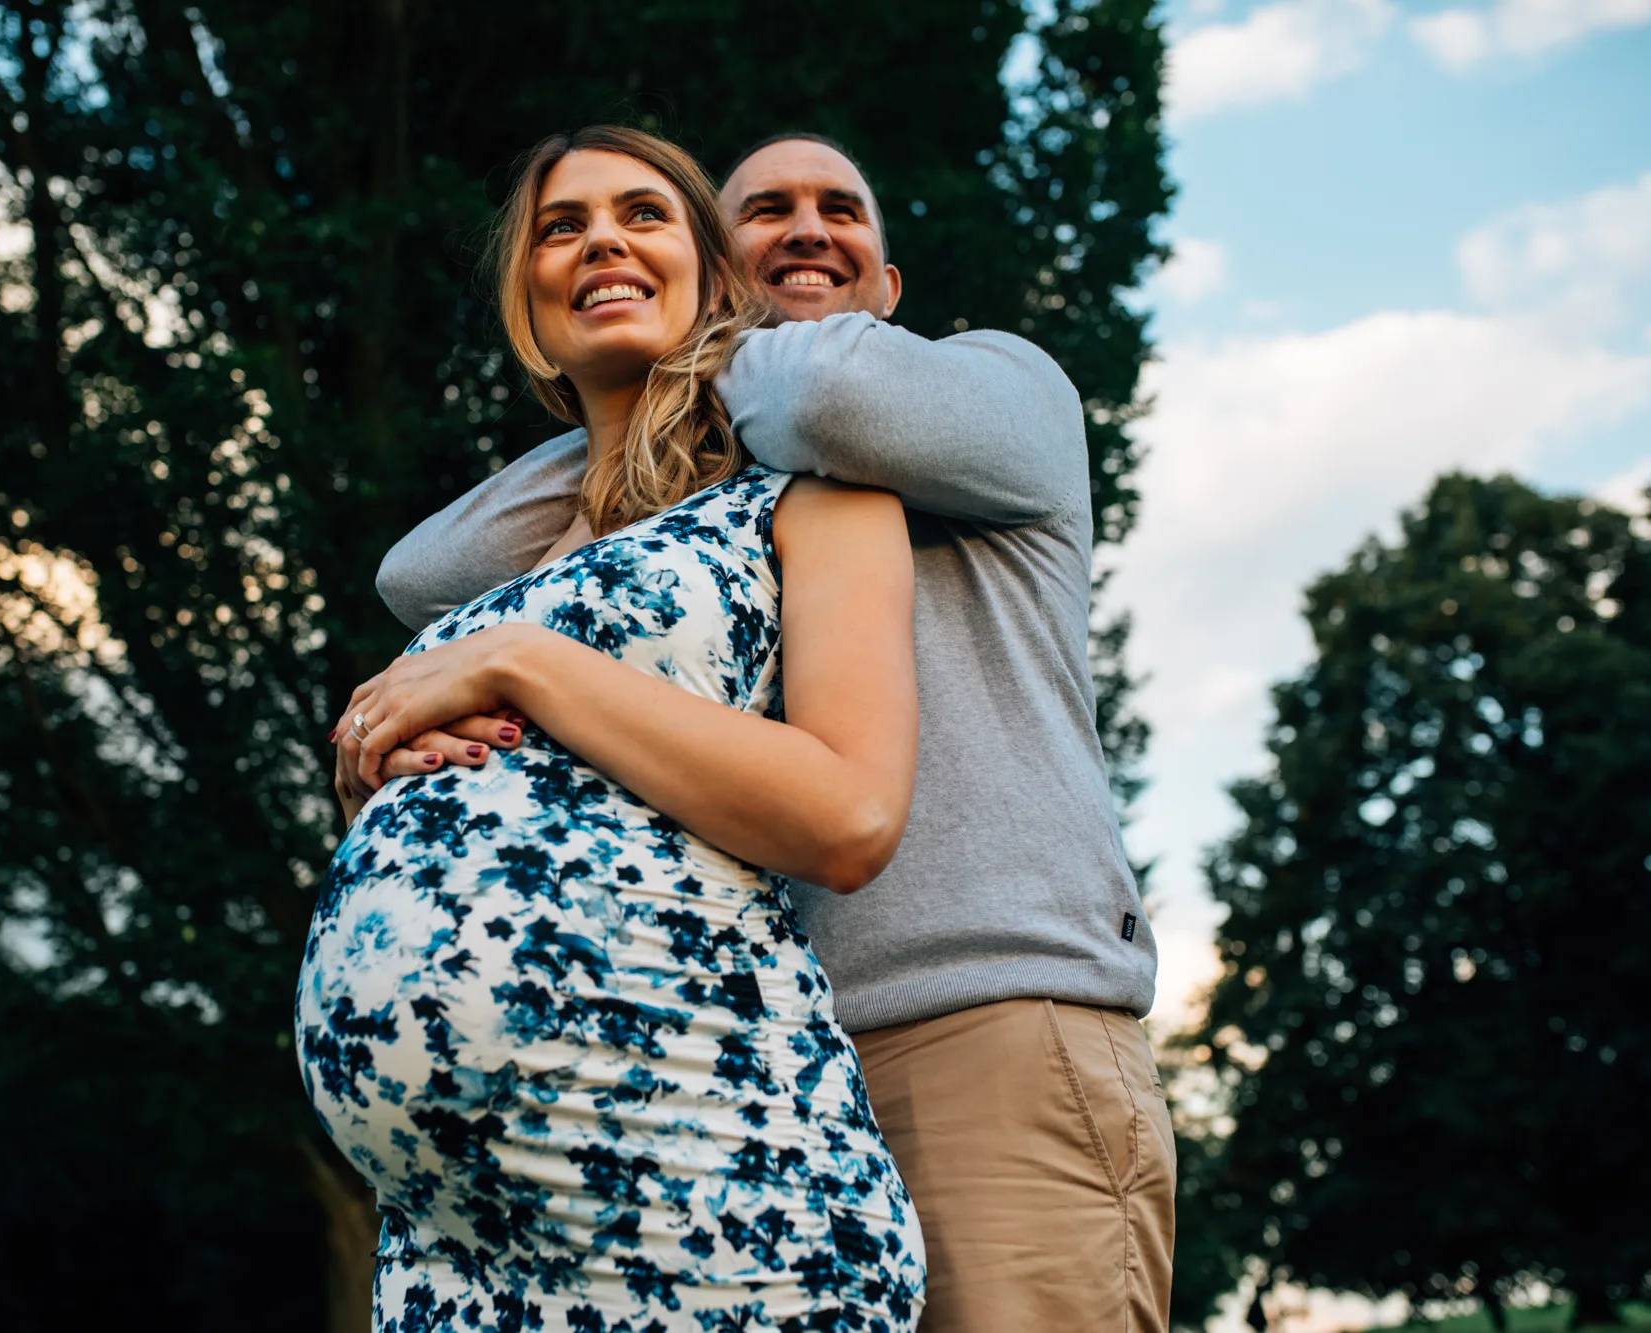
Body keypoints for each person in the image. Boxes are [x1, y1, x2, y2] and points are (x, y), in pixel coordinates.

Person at [361, 132, 1178, 1332]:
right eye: (765, 212)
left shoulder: (993, 390)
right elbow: (425, 572)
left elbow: (837, 398)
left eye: (839, 208)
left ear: (885, 286)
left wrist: (709, 340)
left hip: (974, 1023)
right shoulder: (706, 508)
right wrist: (640, 377)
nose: (805, 229)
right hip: (734, 1068)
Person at [298, 125, 926, 1330]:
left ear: (715, 276)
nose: (599, 241)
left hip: (704, 1181)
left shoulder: (807, 502)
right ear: (528, 306)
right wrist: (385, 767)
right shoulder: (499, 578)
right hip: (454, 1243)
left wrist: (520, 664)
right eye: (560, 227)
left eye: (642, 214)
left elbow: (849, 814)